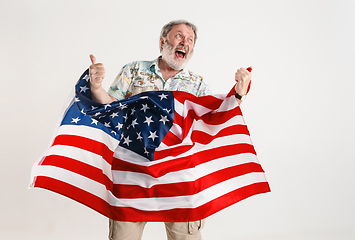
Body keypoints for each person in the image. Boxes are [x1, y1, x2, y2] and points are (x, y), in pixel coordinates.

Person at [88, 20, 252, 240]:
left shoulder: (196, 83)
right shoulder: (133, 70)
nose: (185, 42)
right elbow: (111, 107)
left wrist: (239, 94)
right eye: (179, 36)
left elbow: (217, 117)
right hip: (133, 170)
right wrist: (96, 87)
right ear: (162, 41)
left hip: (179, 174)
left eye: (190, 39)